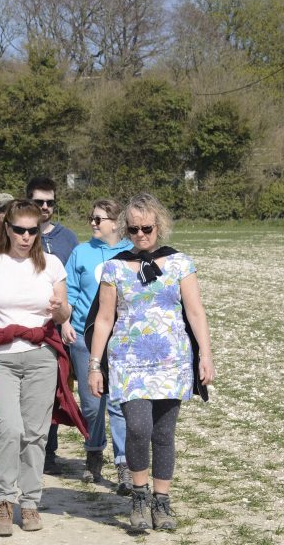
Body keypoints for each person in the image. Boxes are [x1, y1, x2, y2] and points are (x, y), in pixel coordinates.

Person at [0, 199, 86, 536]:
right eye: (20, 230)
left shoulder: (52, 265)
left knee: (36, 434)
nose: (26, 236)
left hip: (41, 357)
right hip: (2, 358)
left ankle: (30, 502)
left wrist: (60, 311)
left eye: (32, 230)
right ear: (6, 229)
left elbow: (63, 312)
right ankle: (3, 500)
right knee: (8, 429)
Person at [88, 193, 215, 532]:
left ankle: (162, 501)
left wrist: (206, 354)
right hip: (128, 361)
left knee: (163, 432)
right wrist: (93, 365)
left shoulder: (179, 263)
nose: (141, 235)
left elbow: (195, 312)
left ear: (159, 226)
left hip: (172, 360)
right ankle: (139, 496)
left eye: (146, 228)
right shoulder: (114, 267)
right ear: (125, 230)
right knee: (139, 427)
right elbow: (103, 319)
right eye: (133, 229)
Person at [60, 199, 134, 491]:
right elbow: (69, 292)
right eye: (92, 217)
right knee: (92, 405)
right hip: (82, 337)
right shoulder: (81, 253)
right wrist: (65, 322)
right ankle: (93, 451)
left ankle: (124, 464)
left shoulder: (130, 253)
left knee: (118, 403)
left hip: (120, 341)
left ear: (115, 223)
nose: (93, 223)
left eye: (99, 219)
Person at [25, 176, 79, 476]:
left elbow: (75, 285)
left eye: (50, 202)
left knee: (55, 389)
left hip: (57, 327)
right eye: (39, 202)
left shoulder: (67, 238)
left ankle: (49, 451)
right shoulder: (16, 236)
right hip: (24, 327)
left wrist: (69, 318)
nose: (45, 207)